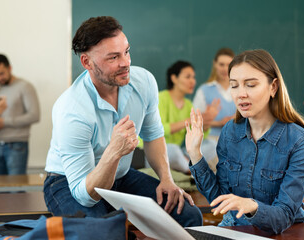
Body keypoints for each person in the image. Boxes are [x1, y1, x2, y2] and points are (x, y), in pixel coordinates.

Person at [44, 16, 202, 227]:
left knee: (188, 214)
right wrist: (113, 152)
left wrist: (167, 179)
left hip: (121, 174)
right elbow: (85, 195)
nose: (126, 63)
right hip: (70, 182)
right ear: (86, 62)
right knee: (103, 231)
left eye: (126, 52)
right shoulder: (72, 111)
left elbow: (153, 135)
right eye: (113, 58)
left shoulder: (144, 82)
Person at [185, 49, 304, 234]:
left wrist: (251, 206)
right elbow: (220, 198)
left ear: (273, 87)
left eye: (251, 85)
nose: (241, 94)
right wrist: (195, 154)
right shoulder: (230, 132)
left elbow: (283, 216)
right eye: (234, 85)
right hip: (236, 228)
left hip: (282, 232)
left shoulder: (300, 142)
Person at [157, 60, 219, 173]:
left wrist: (204, 124)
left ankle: (187, 166)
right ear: (174, 78)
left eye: (193, 77)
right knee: (173, 150)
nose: (192, 81)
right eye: (188, 77)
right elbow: (160, 129)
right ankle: (192, 170)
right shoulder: (161, 98)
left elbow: (195, 137)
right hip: (158, 151)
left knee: (212, 144)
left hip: (180, 153)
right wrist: (189, 120)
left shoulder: (188, 104)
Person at [0, 54, 40, 175]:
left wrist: (4, 122)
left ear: (10, 68)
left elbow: (34, 115)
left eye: (1, 73)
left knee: (15, 191)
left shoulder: (25, 87)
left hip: (16, 146)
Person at [193, 48, 236, 140]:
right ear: (215, 64)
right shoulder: (204, 90)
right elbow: (195, 121)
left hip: (237, 139)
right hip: (211, 140)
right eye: (221, 64)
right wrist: (220, 123)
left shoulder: (240, 89)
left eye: (228, 65)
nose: (225, 69)